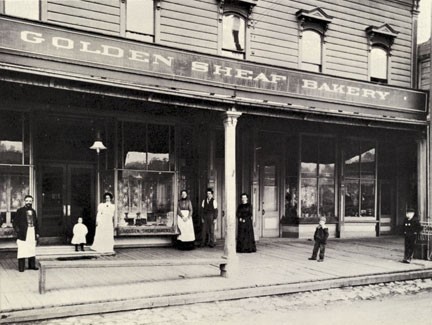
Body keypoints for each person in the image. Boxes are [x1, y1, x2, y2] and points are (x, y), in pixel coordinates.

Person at [12, 195, 40, 272]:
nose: (28, 202)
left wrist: (37, 232)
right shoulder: (20, 211)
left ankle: (32, 265)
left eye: (30, 201)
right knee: (22, 250)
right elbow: (15, 223)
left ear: (32, 202)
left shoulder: (33, 211)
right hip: (23, 233)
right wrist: (18, 231)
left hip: (32, 232)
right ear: (24, 201)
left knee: (31, 249)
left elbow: (36, 223)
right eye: (27, 201)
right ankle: (21, 267)